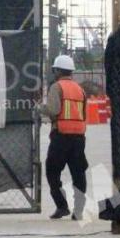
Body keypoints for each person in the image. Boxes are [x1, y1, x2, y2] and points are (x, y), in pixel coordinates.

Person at [39, 55, 89, 220]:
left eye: (55, 70)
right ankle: (79, 210)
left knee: (52, 171)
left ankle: (62, 206)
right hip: (79, 137)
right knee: (78, 173)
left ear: (58, 71)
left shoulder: (56, 87)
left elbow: (53, 110)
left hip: (61, 136)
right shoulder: (80, 89)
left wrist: (39, 108)